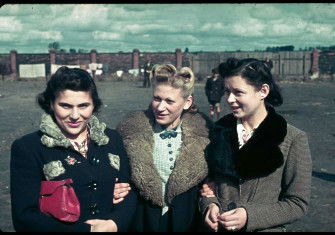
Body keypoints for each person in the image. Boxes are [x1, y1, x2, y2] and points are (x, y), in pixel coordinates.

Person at [10, 66, 137, 232]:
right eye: (66, 106)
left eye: (83, 106)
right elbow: (24, 216)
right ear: (51, 104)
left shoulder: (112, 139)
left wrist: (115, 224)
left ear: (94, 105)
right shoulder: (28, 148)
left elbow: (128, 192)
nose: (75, 116)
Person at [199, 58, 312, 232]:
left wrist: (249, 215)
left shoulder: (293, 139)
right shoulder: (217, 132)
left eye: (238, 92)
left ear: (263, 91)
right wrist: (210, 205)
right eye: (227, 91)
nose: (229, 99)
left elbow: (297, 203)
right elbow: (208, 184)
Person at [116, 63, 213, 232]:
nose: (160, 107)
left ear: (187, 102)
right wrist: (115, 185)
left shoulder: (207, 135)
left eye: (169, 101)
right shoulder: (129, 132)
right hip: (143, 220)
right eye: (157, 98)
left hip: (188, 221)